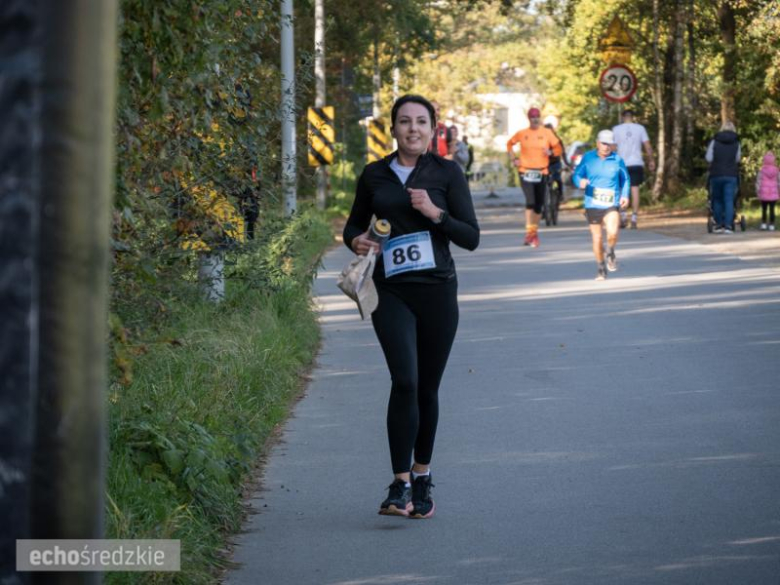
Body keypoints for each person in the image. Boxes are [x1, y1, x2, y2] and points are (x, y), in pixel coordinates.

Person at [343, 94, 480, 519]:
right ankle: (399, 483)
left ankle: (422, 475)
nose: (413, 129)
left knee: (427, 387)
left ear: (433, 128)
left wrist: (435, 213)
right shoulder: (374, 174)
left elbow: (470, 236)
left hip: (438, 291)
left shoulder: (447, 172)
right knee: (404, 379)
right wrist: (356, 241)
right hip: (391, 292)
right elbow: (352, 224)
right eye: (404, 121)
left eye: (421, 121)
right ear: (394, 128)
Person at [571, 130, 630, 280]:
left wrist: (624, 195)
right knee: (597, 238)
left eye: (609, 144)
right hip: (593, 202)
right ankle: (601, 267)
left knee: (613, 232)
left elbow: (626, 179)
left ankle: (610, 251)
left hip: (611, 202)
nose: (606, 147)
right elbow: (577, 174)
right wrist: (580, 182)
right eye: (603, 143)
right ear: (597, 143)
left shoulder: (617, 160)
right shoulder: (588, 158)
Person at [507, 107, 562, 247]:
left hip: (542, 171)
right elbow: (509, 144)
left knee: (539, 204)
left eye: (537, 117)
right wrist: (513, 159)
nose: (535, 119)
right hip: (525, 171)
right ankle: (529, 233)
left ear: (540, 118)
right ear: (529, 119)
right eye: (532, 117)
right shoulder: (522, 133)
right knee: (530, 201)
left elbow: (558, 148)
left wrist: (551, 151)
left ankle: (533, 232)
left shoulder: (547, 133)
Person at [612, 110, 655, 229]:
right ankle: (634, 218)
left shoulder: (616, 129)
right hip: (636, 163)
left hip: (621, 164)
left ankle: (624, 216)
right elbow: (647, 146)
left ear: (622, 117)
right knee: (635, 189)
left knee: (621, 189)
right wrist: (651, 160)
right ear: (632, 117)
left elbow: (613, 148)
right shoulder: (640, 128)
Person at [705, 121, 741, 234]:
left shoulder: (715, 141)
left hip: (716, 174)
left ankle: (719, 224)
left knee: (717, 199)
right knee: (729, 200)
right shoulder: (736, 142)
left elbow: (709, 158)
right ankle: (728, 226)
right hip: (731, 174)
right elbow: (738, 159)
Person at [544, 122, 570, 205]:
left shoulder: (557, 140)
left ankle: (560, 194)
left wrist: (567, 163)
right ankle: (543, 202)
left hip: (555, 163)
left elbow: (563, 152)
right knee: (542, 182)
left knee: (557, 178)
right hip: (544, 164)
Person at [756, 151, 779, 231]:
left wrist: (758, 191)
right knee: (772, 209)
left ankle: (763, 224)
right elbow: (779, 182)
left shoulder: (762, 170)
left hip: (764, 192)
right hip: (773, 193)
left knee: (764, 209)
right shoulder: (777, 171)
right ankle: (772, 225)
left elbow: (758, 181)